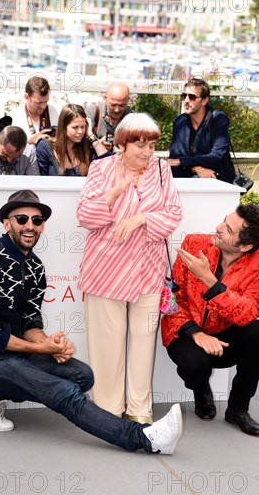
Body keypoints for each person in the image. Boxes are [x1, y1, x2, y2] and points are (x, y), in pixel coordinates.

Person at [0, 189, 182, 455]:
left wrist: (51, 344)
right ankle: (144, 439)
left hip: (12, 356)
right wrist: (41, 350)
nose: (30, 226)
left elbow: (30, 322)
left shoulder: (35, 266)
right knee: (63, 390)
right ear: (6, 224)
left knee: (81, 375)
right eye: (21, 219)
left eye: (37, 221)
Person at [77, 113, 182, 424]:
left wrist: (142, 219)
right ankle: (108, 413)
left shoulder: (162, 170)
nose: (148, 152)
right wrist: (114, 192)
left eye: (152, 145)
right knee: (107, 344)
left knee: (143, 343)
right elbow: (84, 215)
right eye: (141, 145)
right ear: (122, 144)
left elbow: (173, 212)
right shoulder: (101, 168)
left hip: (148, 271)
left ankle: (140, 411)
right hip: (106, 270)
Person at [162, 204, 259, 437]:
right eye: (224, 221)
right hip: (186, 331)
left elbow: (247, 313)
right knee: (194, 366)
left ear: (245, 246)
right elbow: (171, 298)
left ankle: (238, 409)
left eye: (227, 229)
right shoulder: (194, 244)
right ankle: (201, 388)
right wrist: (197, 333)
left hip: (225, 337)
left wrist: (209, 281)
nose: (217, 228)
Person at [167, 78, 235, 183]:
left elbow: (216, 156)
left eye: (192, 97)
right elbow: (174, 157)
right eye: (184, 96)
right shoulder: (180, 121)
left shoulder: (218, 119)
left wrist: (183, 161)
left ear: (204, 101)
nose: (186, 101)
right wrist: (197, 169)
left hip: (217, 179)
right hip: (187, 179)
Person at [36, 104, 110, 176]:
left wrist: (91, 135)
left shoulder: (88, 147)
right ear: (64, 127)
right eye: (75, 127)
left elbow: (108, 164)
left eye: (83, 127)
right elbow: (40, 180)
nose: (80, 131)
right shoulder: (45, 147)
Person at [9, 76, 60, 145]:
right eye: (38, 103)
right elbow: (9, 148)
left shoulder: (54, 111)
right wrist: (28, 142)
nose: (43, 106)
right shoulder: (14, 116)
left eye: (46, 101)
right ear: (26, 97)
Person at [85, 82, 133, 154]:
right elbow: (79, 142)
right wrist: (97, 144)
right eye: (113, 105)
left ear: (128, 100)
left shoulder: (132, 118)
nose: (117, 110)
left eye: (122, 105)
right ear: (105, 98)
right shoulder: (94, 111)